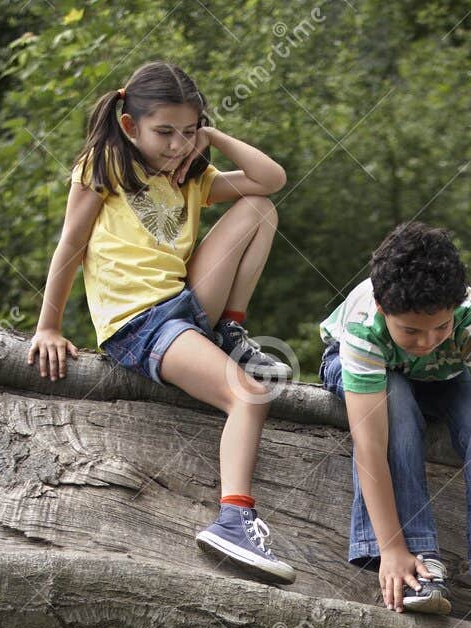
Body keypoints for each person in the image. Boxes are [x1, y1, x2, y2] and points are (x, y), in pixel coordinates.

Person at [27, 59, 295, 583]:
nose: (176, 144)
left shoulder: (193, 174)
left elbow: (271, 179)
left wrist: (210, 136)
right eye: (164, 132)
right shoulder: (106, 165)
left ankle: (233, 334)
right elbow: (70, 246)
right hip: (141, 324)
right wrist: (48, 327)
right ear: (131, 126)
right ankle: (234, 519)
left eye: (187, 131)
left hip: (188, 304)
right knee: (247, 395)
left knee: (259, 208)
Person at [319, 221, 471, 628]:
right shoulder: (364, 327)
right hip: (373, 374)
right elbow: (370, 446)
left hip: (443, 377)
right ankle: (417, 559)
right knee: (397, 407)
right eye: (411, 330)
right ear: (382, 309)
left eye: (440, 328)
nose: (427, 340)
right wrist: (391, 547)